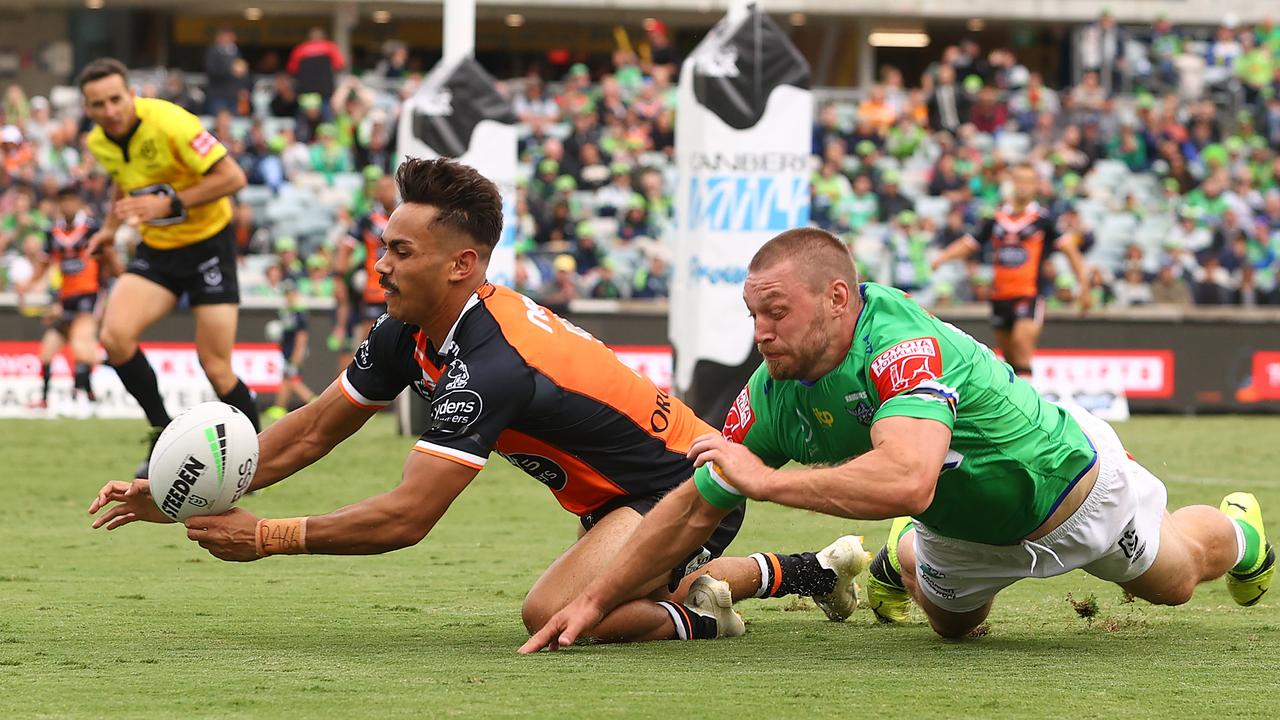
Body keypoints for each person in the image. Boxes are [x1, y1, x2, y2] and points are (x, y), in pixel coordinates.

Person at [87, 158, 865, 647]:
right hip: (619, 494)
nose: (381, 264)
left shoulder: (492, 363)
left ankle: (698, 613)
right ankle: (799, 571)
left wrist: (269, 538)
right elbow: (308, 435)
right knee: (603, 583)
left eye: (399, 251)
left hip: (681, 489)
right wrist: (176, 493)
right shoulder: (410, 329)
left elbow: (407, 518)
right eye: (383, 246)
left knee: (553, 614)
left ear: (462, 265)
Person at [521, 228, 1274, 652]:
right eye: (752, 315)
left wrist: (765, 480)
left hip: (1072, 495)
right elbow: (692, 508)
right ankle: (904, 555)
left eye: (775, 312)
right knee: (954, 631)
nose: (761, 332)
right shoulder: (770, 393)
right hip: (960, 535)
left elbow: (908, 481)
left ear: (838, 298)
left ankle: (1242, 534)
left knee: (1174, 580)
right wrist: (595, 602)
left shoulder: (897, 343)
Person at [78, 58, 256, 477]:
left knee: (214, 364)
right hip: (158, 250)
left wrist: (170, 202)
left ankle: (256, 455)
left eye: (116, 99)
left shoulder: (172, 122)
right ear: (88, 109)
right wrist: (108, 229)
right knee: (114, 336)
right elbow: (126, 180)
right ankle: (162, 431)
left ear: (132, 94)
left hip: (210, 245)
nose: (110, 110)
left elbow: (233, 178)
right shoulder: (98, 143)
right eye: (99, 104)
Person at [931, 163, 1090, 378]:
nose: (1023, 186)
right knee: (1009, 357)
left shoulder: (1044, 221)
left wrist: (1084, 285)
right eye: (1019, 180)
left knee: (1021, 345)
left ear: (1036, 185)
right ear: (1011, 183)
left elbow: (1070, 249)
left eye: (1028, 181)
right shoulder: (996, 219)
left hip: (1029, 294)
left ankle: (1030, 408)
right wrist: (942, 257)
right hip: (1000, 296)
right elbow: (969, 243)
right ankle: (1017, 404)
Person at [15, 185, 119, 413]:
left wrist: (116, 277)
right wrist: (28, 285)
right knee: (45, 353)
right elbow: (44, 266)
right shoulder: (53, 233)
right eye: (62, 201)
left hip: (89, 297)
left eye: (71, 200)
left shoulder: (93, 229)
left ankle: (120, 366)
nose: (66, 205)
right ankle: (44, 400)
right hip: (65, 300)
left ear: (80, 203)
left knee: (82, 351)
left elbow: (110, 260)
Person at [334, 173, 397, 349]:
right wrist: (339, 277)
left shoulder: (403, 217)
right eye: (381, 189)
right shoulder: (367, 219)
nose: (386, 193)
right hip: (375, 286)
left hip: (401, 285)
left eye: (389, 188)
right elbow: (346, 247)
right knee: (370, 336)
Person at [264, 278, 316, 422]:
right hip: (287, 350)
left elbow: (302, 334)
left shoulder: (298, 311)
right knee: (287, 379)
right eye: (286, 293)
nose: (288, 296)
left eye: (290, 292)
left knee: (292, 380)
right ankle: (279, 407)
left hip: (295, 351)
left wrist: (297, 354)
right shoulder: (286, 310)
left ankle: (314, 402)